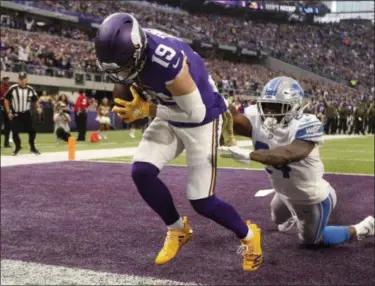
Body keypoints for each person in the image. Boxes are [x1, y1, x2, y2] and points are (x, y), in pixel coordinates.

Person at [95, 13, 262, 271]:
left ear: (138, 51)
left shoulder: (167, 62)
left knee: (202, 201)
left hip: (202, 118)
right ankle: (178, 229)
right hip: (169, 108)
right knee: (142, 171)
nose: (122, 75)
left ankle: (249, 237)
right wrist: (145, 106)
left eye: (126, 66)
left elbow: (195, 114)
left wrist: (147, 111)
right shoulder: (130, 47)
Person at [221, 76, 374, 247]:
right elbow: (231, 117)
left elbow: (289, 153)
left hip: (311, 197)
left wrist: (250, 155)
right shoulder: (256, 116)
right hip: (283, 191)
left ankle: (362, 228)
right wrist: (213, 96)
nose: (270, 113)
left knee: (311, 242)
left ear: (294, 107)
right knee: (276, 219)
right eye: (266, 106)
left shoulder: (307, 123)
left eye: (278, 107)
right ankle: (295, 215)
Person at [4, 72, 41, 155]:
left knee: (32, 131)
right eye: (20, 79)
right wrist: (9, 112)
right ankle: (18, 147)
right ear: (18, 79)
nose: (21, 80)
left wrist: (38, 107)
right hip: (16, 113)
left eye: (23, 79)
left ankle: (32, 148)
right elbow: (6, 100)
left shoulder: (30, 89)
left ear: (26, 80)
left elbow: (35, 100)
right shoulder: (13, 88)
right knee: (14, 132)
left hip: (26, 113)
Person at [1, 76, 12, 148]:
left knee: (8, 126)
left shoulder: (10, 88)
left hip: (8, 109)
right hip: (1, 108)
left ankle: (6, 143)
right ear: (3, 80)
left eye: (7, 80)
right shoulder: (0, 88)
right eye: (5, 80)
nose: (7, 81)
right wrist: (3, 98)